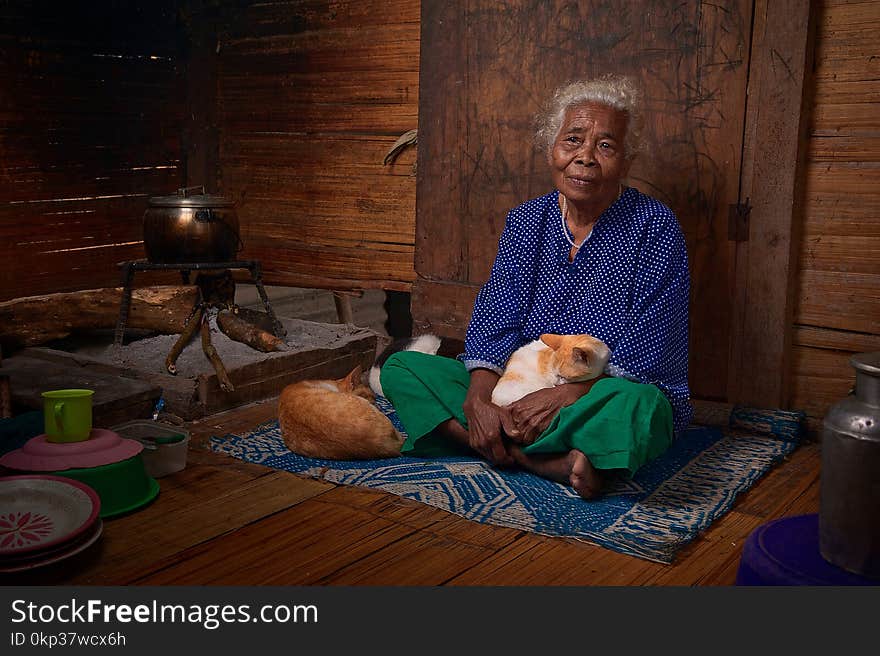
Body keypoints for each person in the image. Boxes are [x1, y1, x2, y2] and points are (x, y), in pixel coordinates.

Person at [380, 75, 692, 499]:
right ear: (552, 149)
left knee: (643, 407)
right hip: (517, 387)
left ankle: (498, 446)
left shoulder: (654, 227)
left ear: (627, 160)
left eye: (606, 146)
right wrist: (479, 401)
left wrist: (564, 396)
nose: (585, 158)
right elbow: (494, 319)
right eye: (573, 140)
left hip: (595, 394)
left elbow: (651, 351)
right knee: (404, 368)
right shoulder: (527, 221)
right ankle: (547, 460)